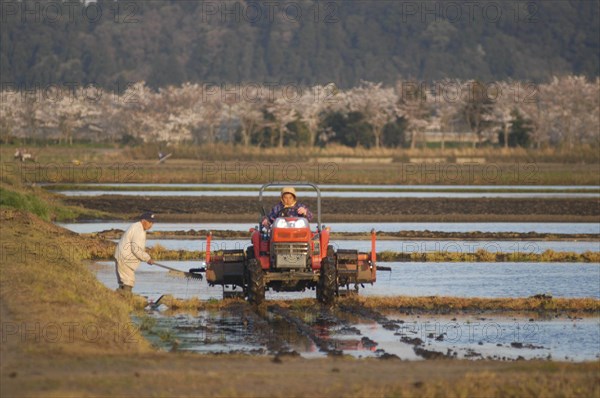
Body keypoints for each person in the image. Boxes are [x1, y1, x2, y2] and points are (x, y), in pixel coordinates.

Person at [114, 212, 156, 294]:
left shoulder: (138, 227)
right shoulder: (138, 230)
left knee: (126, 281)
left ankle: (122, 299)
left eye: (152, 223)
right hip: (124, 259)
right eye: (150, 222)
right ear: (143, 221)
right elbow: (136, 249)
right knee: (128, 281)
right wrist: (147, 258)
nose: (151, 225)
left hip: (124, 258)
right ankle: (125, 300)